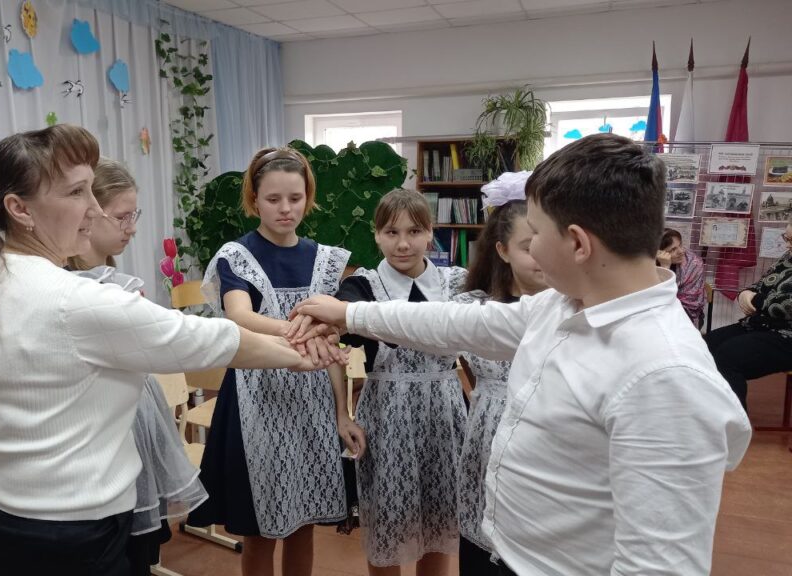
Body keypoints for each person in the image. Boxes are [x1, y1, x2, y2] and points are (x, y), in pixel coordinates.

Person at [291, 133, 752, 576]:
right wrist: (347, 313)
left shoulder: (664, 375)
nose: (525, 252)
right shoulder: (563, 304)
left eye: (534, 234)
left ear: (577, 243)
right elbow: (458, 323)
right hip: (507, 553)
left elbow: (658, 564)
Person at [0, 125, 316, 576]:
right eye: (77, 192)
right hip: (71, 538)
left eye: (92, 190)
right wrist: (305, 351)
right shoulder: (73, 298)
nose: (93, 208)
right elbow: (199, 338)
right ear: (19, 208)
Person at [186, 147, 350, 576]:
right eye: (273, 199)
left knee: (304, 524)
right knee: (257, 531)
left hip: (311, 404)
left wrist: (341, 413)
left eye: (295, 198)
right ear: (254, 200)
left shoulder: (324, 259)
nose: (285, 208)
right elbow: (239, 315)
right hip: (254, 404)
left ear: (308, 198)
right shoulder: (236, 255)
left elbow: (331, 350)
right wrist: (302, 330)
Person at [66, 158, 204, 576]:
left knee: (140, 545)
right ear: (89, 214)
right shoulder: (82, 288)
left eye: (134, 215)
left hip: (136, 416)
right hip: (109, 432)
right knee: (122, 544)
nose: (132, 228)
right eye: (122, 217)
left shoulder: (112, 279)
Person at [325, 189, 467, 576]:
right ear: (376, 235)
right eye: (391, 232)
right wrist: (342, 414)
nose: (403, 244)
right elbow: (329, 338)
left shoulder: (456, 284)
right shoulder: (363, 287)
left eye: (414, 231)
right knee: (387, 527)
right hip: (387, 420)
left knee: (439, 525)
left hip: (445, 417)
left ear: (430, 233)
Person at [453, 172, 547, 576]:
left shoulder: (570, 309)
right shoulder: (474, 307)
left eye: (547, 242)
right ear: (502, 250)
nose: (541, 256)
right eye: (528, 246)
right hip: (484, 444)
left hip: (542, 449)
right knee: (481, 552)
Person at [706, 214, 792, 409]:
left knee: (728, 357)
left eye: (791, 240)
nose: (787, 245)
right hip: (762, 324)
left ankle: (733, 422)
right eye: (786, 238)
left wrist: (753, 299)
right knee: (705, 346)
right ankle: (711, 412)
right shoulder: (788, 257)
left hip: (786, 335)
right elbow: (762, 284)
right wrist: (746, 293)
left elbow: (785, 305)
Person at [656, 228, 706, 326]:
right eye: (673, 249)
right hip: (659, 313)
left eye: (680, 245)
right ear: (659, 253)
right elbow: (652, 296)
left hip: (688, 314)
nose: (681, 251)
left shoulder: (694, 264)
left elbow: (691, 302)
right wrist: (665, 267)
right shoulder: (649, 264)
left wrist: (665, 269)